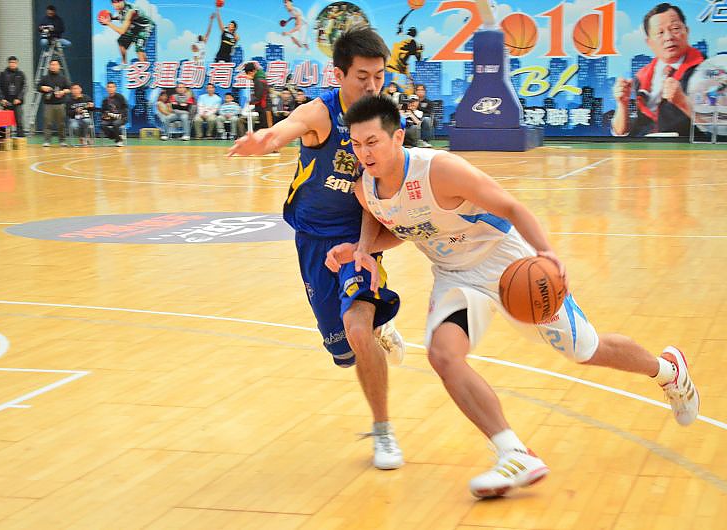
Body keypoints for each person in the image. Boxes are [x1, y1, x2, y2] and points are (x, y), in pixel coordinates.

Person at [327, 94, 701, 498]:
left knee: (585, 349)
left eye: (373, 142)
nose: (364, 152)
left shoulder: (441, 170)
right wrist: (361, 249)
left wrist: (547, 253)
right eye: (357, 143)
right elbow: (398, 223)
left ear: (398, 137)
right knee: (443, 356)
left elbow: (511, 207)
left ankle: (667, 371)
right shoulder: (366, 188)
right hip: (455, 276)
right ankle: (514, 453)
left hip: (507, 263)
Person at [228, 27, 406, 470]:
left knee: (357, 329)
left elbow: (383, 188)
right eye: (362, 77)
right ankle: (377, 327)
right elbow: (285, 130)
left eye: (380, 76)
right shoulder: (321, 113)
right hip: (312, 239)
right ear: (339, 75)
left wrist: (366, 246)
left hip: (359, 238)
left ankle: (383, 431)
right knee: (343, 354)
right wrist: (265, 141)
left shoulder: (383, 119)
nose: (372, 86)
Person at [612, 3, 704, 137]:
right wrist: (622, 104)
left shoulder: (708, 71)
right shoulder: (640, 77)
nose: (668, 37)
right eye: (660, 33)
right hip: (643, 148)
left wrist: (683, 102)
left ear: (687, 31)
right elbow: (621, 132)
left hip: (687, 148)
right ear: (649, 42)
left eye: (675, 28)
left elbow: (718, 126)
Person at [104, 0, 156, 69]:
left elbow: (122, 31)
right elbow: (122, 17)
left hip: (145, 27)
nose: (117, 4)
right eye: (114, 2)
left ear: (123, 1)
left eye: (119, 1)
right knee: (121, 41)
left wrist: (108, 23)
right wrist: (112, 18)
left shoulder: (130, 11)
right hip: (135, 27)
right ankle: (124, 64)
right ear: (112, 3)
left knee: (139, 49)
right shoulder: (122, 10)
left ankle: (146, 71)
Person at [38, 59, 70, 147]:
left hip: (60, 104)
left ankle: (62, 141)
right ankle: (47, 141)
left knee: (61, 124)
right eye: (52, 64)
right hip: (48, 104)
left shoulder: (63, 78)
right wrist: (43, 88)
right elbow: (38, 87)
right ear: (49, 66)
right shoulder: (45, 78)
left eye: (55, 64)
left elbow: (69, 89)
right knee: (47, 123)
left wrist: (63, 92)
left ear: (59, 66)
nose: (53, 66)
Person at [0, 56, 27, 137]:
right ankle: (6, 139)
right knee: (6, 123)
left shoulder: (21, 74)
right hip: (6, 102)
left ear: (17, 63)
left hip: (17, 103)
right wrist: (2, 99)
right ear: (8, 63)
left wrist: (19, 98)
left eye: (14, 62)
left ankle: (20, 138)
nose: (12, 64)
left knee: (19, 122)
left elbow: (24, 87)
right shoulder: (3, 74)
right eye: (10, 62)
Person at [242, 62, 271, 131]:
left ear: (253, 71)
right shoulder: (259, 77)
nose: (248, 76)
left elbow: (259, 96)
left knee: (266, 128)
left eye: (248, 73)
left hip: (264, 107)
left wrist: (250, 102)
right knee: (264, 127)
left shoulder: (258, 81)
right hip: (263, 107)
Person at [101, 81, 128, 147]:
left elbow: (125, 108)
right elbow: (103, 111)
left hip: (121, 117)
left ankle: (118, 141)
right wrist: (105, 116)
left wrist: (121, 115)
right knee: (102, 124)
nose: (111, 89)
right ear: (107, 89)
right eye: (109, 87)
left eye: (112, 87)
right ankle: (117, 137)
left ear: (115, 88)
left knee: (115, 123)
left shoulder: (120, 97)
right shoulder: (105, 100)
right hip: (110, 118)